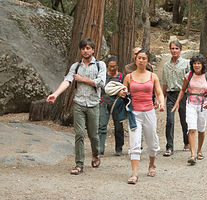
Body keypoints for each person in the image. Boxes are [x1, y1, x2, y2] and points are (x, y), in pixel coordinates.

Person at [46, 38, 106, 175]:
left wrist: (82, 79)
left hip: (93, 104)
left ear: (93, 50)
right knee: (79, 134)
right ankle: (79, 164)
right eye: (83, 48)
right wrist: (55, 94)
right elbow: (67, 80)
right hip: (78, 103)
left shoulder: (100, 65)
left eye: (88, 48)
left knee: (93, 135)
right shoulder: (76, 66)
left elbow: (101, 82)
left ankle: (96, 154)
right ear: (80, 50)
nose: (85, 51)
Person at [118, 49, 165, 184]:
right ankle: (134, 174)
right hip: (134, 114)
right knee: (135, 142)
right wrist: (121, 93)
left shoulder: (153, 76)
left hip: (149, 112)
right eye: (139, 58)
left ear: (147, 61)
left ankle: (151, 164)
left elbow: (159, 93)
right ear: (135, 59)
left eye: (144, 58)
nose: (141, 60)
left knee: (151, 141)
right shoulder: (129, 77)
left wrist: (161, 103)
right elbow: (122, 91)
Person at [171, 55, 207, 165]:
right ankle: (192, 155)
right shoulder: (188, 76)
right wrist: (176, 104)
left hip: (203, 105)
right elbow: (182, 90)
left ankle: (199, 150)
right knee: (191, 129)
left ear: (202, 65)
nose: (197, 65)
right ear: (192, 65)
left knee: (201, 129)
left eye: (199, 63)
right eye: (195, 63)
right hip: (190, 104)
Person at [162, 40, 190, 157]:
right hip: (171, 95)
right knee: (170, 121)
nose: (174, 51)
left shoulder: (186, 63)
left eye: (176, 48)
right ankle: (169, 147)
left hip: (183, 94)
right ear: (170, 50)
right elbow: (164, 83)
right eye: (172, 48)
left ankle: (187, 142)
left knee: (184, 119)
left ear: (180, 50)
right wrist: (161, 98)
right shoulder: (166, 66)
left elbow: (190, 80)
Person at [98, 57, 124, 156]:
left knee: (118, 126)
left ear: (117, 66)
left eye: (114, 66)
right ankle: (100, 148)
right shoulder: (103, 76)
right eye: (110, 66)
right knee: (102, 126)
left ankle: (119, 148)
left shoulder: (121, 76)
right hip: (104, 103)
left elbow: (125, 88)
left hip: (117, 104)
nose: (112, 68)